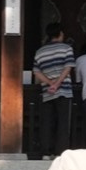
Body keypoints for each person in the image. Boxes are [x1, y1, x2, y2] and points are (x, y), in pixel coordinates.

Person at [32, 22, 75, 159]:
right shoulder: (67, 48)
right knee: (63, 122)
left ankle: (46, 152)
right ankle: (60, 153)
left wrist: (50, 83)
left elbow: (36, 72)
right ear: (60, 33)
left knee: (47, 122)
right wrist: (57, 84)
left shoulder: (40, 52)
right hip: (64, 90)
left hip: (47, 91)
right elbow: (68, 67)